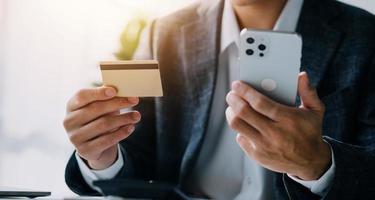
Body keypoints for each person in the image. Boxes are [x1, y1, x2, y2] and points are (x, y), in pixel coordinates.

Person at [63, 0, 375, 199]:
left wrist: (318, 164)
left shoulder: (364, 35)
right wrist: (102, 155)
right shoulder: (166, 34)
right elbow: (139, 158)